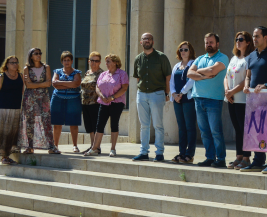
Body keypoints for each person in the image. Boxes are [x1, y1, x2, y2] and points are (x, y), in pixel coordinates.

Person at [240, 26, 267, 173]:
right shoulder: (251, 55)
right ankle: (258, 161)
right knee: (257, 131)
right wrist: (247, 86)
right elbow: (248, 75)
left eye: (257, 36)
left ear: (265, 38)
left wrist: (266, 85)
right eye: (253, 36)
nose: (254, 39)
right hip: (255, 101)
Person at [188, 33, 230, 167]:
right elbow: (189, 73)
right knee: (205, 132)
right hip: (198, 99)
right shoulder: (200, 58)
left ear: (217, 44)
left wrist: (198, 72)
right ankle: (210, 157)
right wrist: (204, 76)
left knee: (215, 131)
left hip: (214, 100)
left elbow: (213, 70)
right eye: (206, 42)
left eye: (211, 42)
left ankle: (221, 159)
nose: (208, 45)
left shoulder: (223, 58)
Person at [133, 33, 172, 162]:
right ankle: (143, 152)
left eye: (149, 39)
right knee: (144, 126)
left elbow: (167, 77)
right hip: (142, 94)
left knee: (158, 125)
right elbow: (138, 77)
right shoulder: (138, 59)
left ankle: (159, 153)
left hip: (157, 94)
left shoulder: (161, 57)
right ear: (141, 42)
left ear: (153, 42)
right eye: (144, 39)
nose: (147, 41)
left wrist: (167, 93)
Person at [83, 54, 129, 157]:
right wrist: (102, 96)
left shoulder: (122, 74)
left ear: (115, 62)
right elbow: (97, 87)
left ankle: (112, 149)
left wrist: (112, 97)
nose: (106, 64)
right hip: (104, 102)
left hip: (117, 103)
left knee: (114, 124)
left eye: (108, 61)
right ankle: (94, 148)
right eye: (106, 62)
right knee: (99, 125)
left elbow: (124, 88)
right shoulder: (103, 74)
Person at [18, 48, 60, 154]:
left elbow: (48, 84)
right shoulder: (26, 68)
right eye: (36, 53)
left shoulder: (46, 67)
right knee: (29, 121)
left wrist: (34, 85)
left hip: (43, 97)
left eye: (40, 53)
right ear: (31, 56)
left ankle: (51, 146)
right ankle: (29, 146)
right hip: (30, 97)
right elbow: (28, 85)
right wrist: (41, 84)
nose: (38, 55)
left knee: (46, 120)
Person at [225, 32, 255, 169]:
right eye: (237, 39)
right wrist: (227, 91)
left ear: (248, 42)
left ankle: (246, 157)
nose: (238, 41)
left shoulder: (250, 58)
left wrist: (232, 91)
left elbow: (246, 80)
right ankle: (238, 156)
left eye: (241, 39)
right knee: (237, 129)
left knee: (244, 129)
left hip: (243, 99)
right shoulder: (234, 58)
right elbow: (226, 76)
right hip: (231, 99)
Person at [170, 41, 197, 164]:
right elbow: (171, 82)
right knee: (181, 128)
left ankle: (189, 154)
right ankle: (181, 153)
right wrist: (174, 94)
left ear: (190, 51)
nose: (183, 52)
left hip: (188, 99)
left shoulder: (193, 64)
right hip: (177, 100)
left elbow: (191, 80)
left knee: (190, 127)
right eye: (181, 50)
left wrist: (182, 92)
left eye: (186, 50)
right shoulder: (176, 66)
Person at [50, 51, 83, 152]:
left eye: (68, 60)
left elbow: (76, 84)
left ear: (72, 61)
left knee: (73, 123)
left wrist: (61, 83)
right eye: (64, 60)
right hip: (57, 98)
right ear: (62, 61)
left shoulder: (77, 72)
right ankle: (55, 145)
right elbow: (54, 84)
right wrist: (70, 83)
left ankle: (75, 145)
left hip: (73, 99)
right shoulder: (57, 71)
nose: (66, 62)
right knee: (57, 123)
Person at [0, 56, 24, 164]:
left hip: (16, 108)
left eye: (16, 62)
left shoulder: (21, 76)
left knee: (13, 133)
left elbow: (22, 91)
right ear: (7, 64)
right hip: (4, 109)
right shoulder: (1, 77)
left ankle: (8, 156)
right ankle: (3, 156)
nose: (15, 64)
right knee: (4, 133)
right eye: (12, 62)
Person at [81, 52, 104, 154]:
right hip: (85, 103)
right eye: (92, 60)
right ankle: (92, 146)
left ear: (99, 62)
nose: (94, 63)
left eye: (97, 61)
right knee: (89, 126)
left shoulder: (102, 74)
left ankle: (97, 147)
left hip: (95, 103)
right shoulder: (87, 72)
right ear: (88, 61)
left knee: (95, 126)